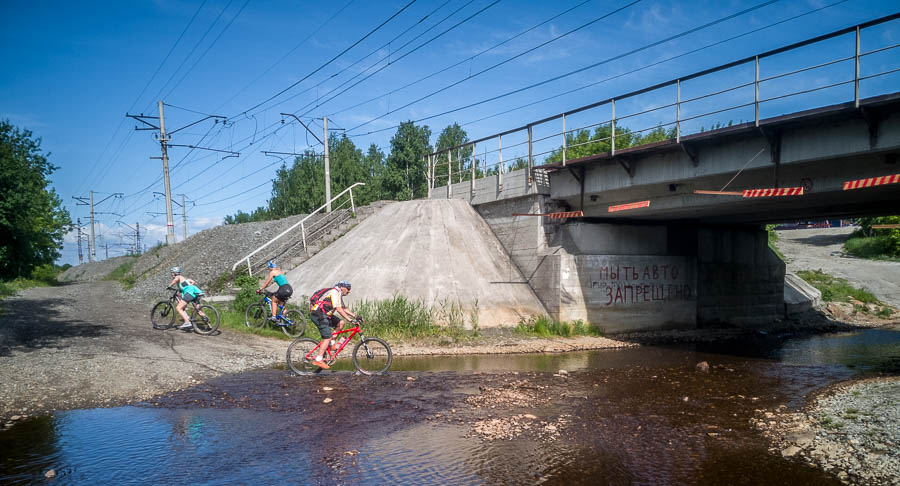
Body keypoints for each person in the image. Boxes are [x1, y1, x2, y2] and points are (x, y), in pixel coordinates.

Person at [308, 280, 358, 369]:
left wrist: (356, 316)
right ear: (342, 287)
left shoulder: (338, 294)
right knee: (327, 337)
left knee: (341, 323)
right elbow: (338, 309)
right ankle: (318, 360)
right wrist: (350, 320)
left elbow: (344, 308)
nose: (349, 291)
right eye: (348, 288)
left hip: (325, 315)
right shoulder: (334, 292)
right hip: (318, 314)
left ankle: (332, 344)